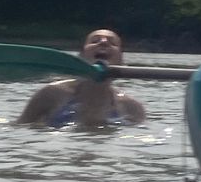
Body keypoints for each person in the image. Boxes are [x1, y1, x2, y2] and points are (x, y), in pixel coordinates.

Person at [15, 28, 148, 130]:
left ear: (121, 61)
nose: (103, 42)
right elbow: (21, 129)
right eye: (95, 41)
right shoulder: (51, 93)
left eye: (112, 43)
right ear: (81, 57)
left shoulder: (131, 107)